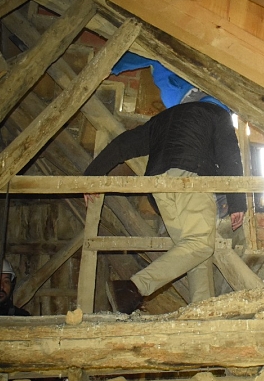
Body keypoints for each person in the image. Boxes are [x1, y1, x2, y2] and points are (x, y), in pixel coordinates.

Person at [84, 96, 246, 313]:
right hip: (191, 180)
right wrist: (237, 202)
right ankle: (133, 288)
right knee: (201, 245)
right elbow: (230, 156)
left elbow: (123, 144)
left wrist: (92, 176)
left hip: (159, 187)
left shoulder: (164, 118)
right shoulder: (218, 114)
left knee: (194, 252)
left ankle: (203, 315)